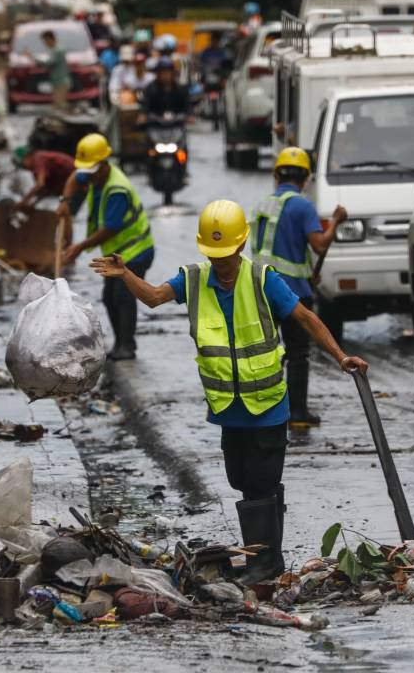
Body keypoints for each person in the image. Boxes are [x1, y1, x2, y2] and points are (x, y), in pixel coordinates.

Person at [89, 200, 368, 584]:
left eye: (226, 253)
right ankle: (266, 557)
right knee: (242, 480)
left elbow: (305, 317)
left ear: (240, 246)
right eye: (213, 254)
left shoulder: (262, 279)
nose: (220, 262)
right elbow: (154, 297)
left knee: (262, 481)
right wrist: (125, 274)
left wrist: (340, 356)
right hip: (228, 406)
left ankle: (265, 563)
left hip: (268, 403)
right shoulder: (192, 279)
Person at [252, 147, 348, 427]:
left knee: (267, 353)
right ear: (305, 178)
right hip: (291, 294)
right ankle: (297, 413)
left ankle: (266, 409)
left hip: (261, 289)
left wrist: (307, 273)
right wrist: (335, 223)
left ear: (276, 174)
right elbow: (318, 244)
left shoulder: (263, 205)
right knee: (297, 353)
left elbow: (275, 248)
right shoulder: (302, 206)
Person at [59, 134, 154, 361]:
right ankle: (120, 343)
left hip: (135, 250)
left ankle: (127, 346)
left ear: (104, 164)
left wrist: (79, 247)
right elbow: (74, 176)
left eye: (91, 170)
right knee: (109, 296)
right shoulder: (95, 176)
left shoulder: (116, 189)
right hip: (117, 253)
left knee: (122, 295)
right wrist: (64, 201)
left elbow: (110, 228)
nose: (87, 175)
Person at [141, 57, 189, 121]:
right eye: (163, 73)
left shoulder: (181, 88)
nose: (165, 76)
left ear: (172, 73)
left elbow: (187, 107)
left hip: (177, 124)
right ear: (158, 74)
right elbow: (146, 107)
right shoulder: (150, 89)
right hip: (156, 125)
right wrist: (143, 115)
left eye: (168, 72)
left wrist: (189, 116)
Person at [40, 30, 71, 110]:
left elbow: (48, 63)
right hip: (58, 82)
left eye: (45, 41)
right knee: (57, 105)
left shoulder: (58, 50)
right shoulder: (55, 50)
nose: (45, 43)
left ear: (50, 39)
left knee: (60, 106)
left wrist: (32, 58)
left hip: (61, 82)